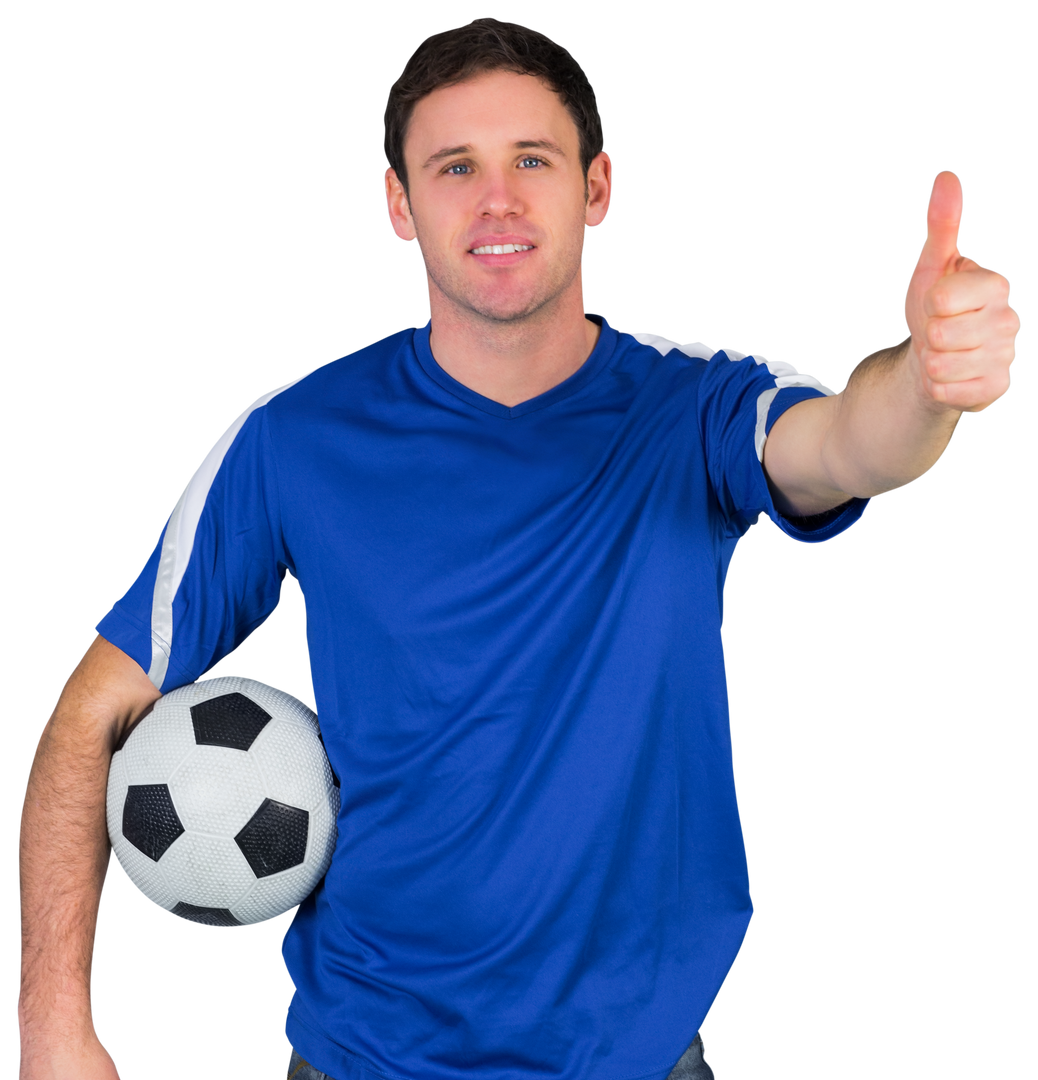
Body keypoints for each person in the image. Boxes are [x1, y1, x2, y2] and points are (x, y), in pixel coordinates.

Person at [16, 15, 1019, 1080]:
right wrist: (55, 1028)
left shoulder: (692, 406)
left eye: (531, 160)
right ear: (399, 205)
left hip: (639, 1061)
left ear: (597, 188)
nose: (496, 201)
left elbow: (848, 447)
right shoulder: (294, 436)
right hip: (361, 1059)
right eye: (455, 167)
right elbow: (91, 709)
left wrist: (925, 379)